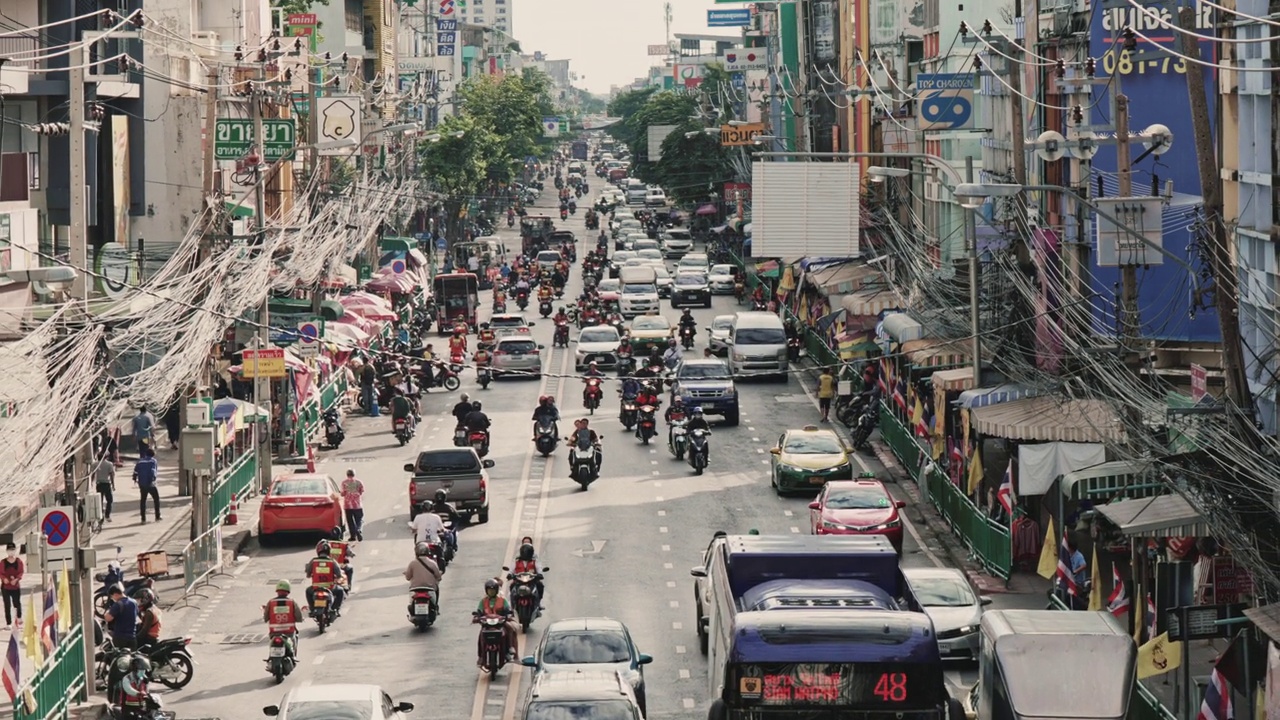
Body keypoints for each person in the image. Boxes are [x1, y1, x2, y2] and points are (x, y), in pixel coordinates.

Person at [473, 579, 519, 664]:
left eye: (493, 590)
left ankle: (510, 648)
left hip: (500, 623)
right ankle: (481, 656)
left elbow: (508, 610)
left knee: (509, 628)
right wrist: (476, 617)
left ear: (496, 590)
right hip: (487, 624)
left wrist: (508, 615)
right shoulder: (483, 601)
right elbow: (478, 611)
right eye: (489, 590)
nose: (491, 592)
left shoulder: (502, 600)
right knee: (481, 636)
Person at [262, 580, 305, 656]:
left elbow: (266, 617)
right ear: (288, 591)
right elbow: (298, 616)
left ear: (277, 591)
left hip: (274, 633)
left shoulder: (271, 602)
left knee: (272, 645)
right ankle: (293, 656)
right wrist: (300, 619)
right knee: (294, 642)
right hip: (289, 633)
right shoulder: (292, 602)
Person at [304, 540, 346, 612]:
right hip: (330, 588)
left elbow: (308, 573)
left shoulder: (313, 561)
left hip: (315, 589)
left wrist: (309, 574)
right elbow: (339, 574)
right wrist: (337, 577)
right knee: (341, 591)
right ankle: (335, 608)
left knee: (308, 591)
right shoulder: (332, 561)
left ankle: (312, 608)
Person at [404, 542, 443, 612]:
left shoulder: (412, 563)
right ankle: (436, 607)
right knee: (437, 588)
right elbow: (439, 577)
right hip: (430, 588)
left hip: (415, 589)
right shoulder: (432, 563)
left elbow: (408, 577)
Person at [509, 540, 545, 608]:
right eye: (524, 552)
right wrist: (510, 574)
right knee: (511, 586)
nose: (526, 553)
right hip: (519, 581)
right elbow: (511, 569)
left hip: (532, 581)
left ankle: (539, 603)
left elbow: (539, 568)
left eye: (528, 552)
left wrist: (540, 574)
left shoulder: (534, 561)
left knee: (540, 585)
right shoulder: (517, 561)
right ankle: (512, 605)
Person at [104, 584, 139, 649]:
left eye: (112, 596)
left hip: (120, 637)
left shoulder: (118, 604)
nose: (112, 598)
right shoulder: (134, 602)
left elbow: (108, 618)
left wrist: (107, 612)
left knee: (119, 657)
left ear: (115, 594)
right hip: (132, 637)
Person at [133, 448, 160, 524]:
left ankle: (143, 519)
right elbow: (154, 471)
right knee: (156, 499)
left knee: (143, 500)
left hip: (142, 483)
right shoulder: (153, 461)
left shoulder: (140, 461)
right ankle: (157, 516)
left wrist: (135, 479)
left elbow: (135, 472)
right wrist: (153, 479)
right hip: (151, 484)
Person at [1, 543, 22, 630]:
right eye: (9, 550)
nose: (11, 552)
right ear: (6, 551)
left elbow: (21, 572)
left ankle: (19, 620)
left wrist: (16, 579)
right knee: (7, 604)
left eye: (13, 550)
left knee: (17, 603)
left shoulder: (18, 562)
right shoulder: (3, 562)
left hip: (15, 586)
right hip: (5, 587)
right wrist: (4, 579)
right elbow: (1, 573)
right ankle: (8, 622)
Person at [340, 470, 365, 542]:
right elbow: (361, 491)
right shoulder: (359, 482)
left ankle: (353, 536)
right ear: (354, 474)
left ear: (347, 474)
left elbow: (342, 493)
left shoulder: (344, 483)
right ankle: (358, 530)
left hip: (347, 505)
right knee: (359, 519)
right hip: (357, 505)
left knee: (350, 521)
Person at [95, 455, 116, 522]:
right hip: (106, 484)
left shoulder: (95, 464)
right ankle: (107, 515)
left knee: (100, 501)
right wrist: (113, 485)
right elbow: (111, 475)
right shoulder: (109, 464)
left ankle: (100, 517)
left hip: (99, 484)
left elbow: (92, 474)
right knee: (109, 500)